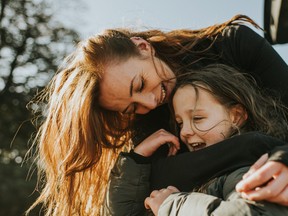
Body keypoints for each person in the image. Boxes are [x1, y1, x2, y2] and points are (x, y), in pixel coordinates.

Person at [27, 14, 288, 215]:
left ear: (142, 47)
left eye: (139, 84)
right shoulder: (146, 120)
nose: (150, 103)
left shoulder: (232, 44)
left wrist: (279, 155)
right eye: (131, 107)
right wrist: (136, 160)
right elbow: (156, 184)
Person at [139, 64, 288, 215]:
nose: (184, 132)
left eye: (197, 118)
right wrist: (135, 160)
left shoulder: (247, 170)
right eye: (180, 123)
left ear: (236, 116)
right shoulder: (205, 175)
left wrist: (172, 206)